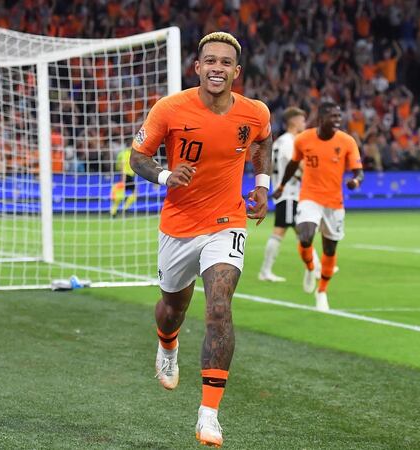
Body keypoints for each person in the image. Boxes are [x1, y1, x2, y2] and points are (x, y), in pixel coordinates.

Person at [129, 31, 272, 447]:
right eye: (210, 61)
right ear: (197, 67)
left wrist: (262, 185)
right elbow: (138, 156)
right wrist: (164, 175)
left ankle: (209, 415)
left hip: (227, 222)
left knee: (219, 308)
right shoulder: (170, 108)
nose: (217, 68)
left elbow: (263, 140)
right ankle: (167, 344)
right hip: (178, 225)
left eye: (226, 62)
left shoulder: (254, 112)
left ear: (236, 71)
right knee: (173, 308)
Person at [273, 101, 363, 311]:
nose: (338, 120)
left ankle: (322, 291)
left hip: (334, 202)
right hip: (309, 197)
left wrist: (356, 181)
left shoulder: (347, 141)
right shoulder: (304, 139)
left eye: (339, 116)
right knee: (305, 236)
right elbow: (293, 164)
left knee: (330, 249)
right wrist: (282, 186)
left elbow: (358, 171)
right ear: (321, 118)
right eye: (334, 116)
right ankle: (310, 267)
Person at [258, 107, 321, 282]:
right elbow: (296, 165)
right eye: (302, 120)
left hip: (287, 192)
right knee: (284, 231)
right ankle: (266, 271)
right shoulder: (289, 142)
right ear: (293, 121)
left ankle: (316, 267)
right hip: (289, 193)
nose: (304, 123)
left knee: (301, 230)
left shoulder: (279, 142)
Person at [109, 147, 136, 217]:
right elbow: (122, 165)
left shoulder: (122, 153)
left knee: (120, 195)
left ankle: (113, 211)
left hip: (126, 176)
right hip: (126, 176)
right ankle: (124, 208)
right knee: (134, 193)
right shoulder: (127, 154)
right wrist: (123, 178)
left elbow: (118, 165)